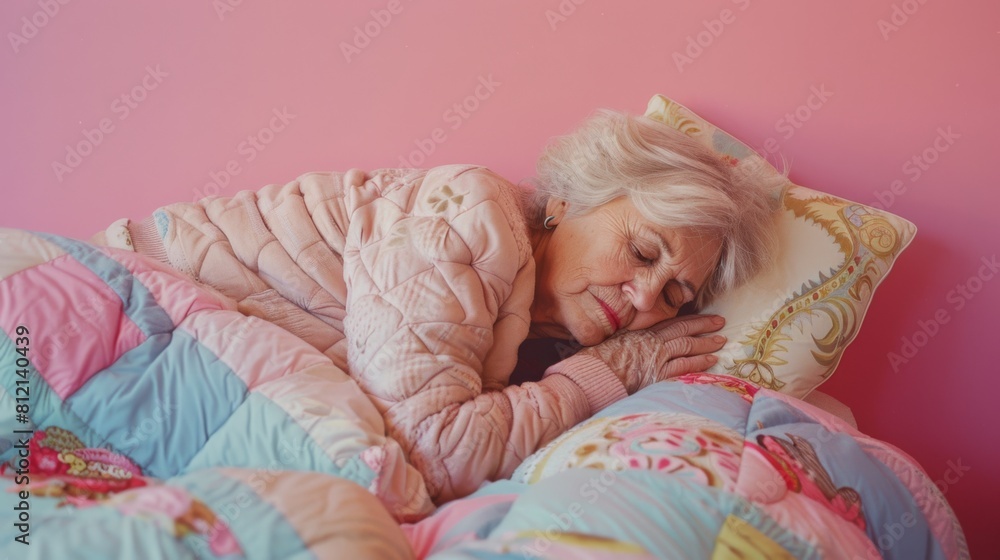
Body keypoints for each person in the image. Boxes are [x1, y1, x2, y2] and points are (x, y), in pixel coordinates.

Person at [91, 108, 777, 507]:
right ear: (570, 200)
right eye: (644, 251)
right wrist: (606, 376)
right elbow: (434, 452)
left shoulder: (540, 332)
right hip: (109, 311)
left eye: (676, 296)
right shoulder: (470, 220)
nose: (645, 299)